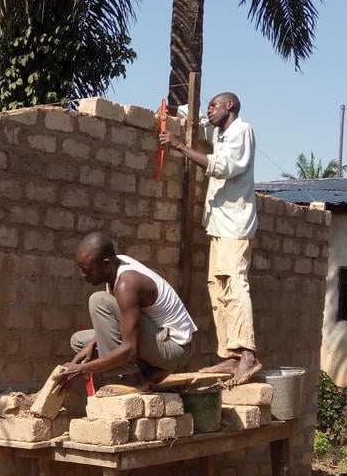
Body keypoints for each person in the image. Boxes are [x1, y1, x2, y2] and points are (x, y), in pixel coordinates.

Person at [159, 91, 262, 386]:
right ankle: (230, 354)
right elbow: (194, 117)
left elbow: (226, 167)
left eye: (214, 106)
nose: (209, 111)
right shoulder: (219, 131)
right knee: (217, 289)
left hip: (236, 225)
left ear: (230, 106)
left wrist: (179, 146)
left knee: (235, 285)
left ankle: (248, 355)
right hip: (219, 225)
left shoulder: (243, 131)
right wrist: (170, 111)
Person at [54, 232, 197, 395]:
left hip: (176, 349)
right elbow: (123, 323)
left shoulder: (127, 284)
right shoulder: (114, 266)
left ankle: (135, 380)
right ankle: (149, 372)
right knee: (79, 341)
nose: (83, 275)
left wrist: (81, 368)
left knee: (99, 301)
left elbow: (130, 348)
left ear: (106, 264)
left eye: (87, 270)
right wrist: (91, 345)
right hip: (157, 339)